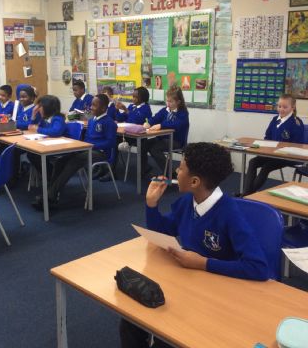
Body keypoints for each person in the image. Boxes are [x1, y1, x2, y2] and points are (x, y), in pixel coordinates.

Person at [119, 142, 270, 348]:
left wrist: (204, 263)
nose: (176, 171)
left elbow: (258, 267)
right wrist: (151, 205)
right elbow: (162, 232)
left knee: (168, 338)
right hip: (187, 281)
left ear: (194, 181)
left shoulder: (229, 214)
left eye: (180, 168)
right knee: (131, 321)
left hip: (218, 294)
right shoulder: (187, 202)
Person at [44, 94, 117, 209]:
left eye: (94, 105)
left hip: (101, 152)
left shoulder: (109, 122)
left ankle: (50, 196)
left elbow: (111, 143)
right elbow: (87, 138)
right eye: (91, 105)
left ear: (103, 108)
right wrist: (82, 145)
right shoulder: (91, 120)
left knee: (75, 161)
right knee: (61, 161)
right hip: (87, 149)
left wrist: (91, 146)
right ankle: (52, 191)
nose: (91, 107)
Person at [242, 93, 304, 196]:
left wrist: (281, 148)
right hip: (272, 154)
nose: (281, 109)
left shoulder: (296, 123)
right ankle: (246, 193)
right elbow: (267, 137)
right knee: (253, 162)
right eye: (279, 106)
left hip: (287, 156)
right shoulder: (275, 119)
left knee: (266, 167)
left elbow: (298, 145)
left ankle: (247, 195)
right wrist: (266, 146)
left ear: (292, 107)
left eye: (285, 107)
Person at [28, 95, 67, 208]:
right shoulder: (44, 119)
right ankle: (50, 177)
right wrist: (33, 115)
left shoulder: (58, 118)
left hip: (59, 149)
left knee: (36, 155)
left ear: (47, 108)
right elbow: (31, 127)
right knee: (32, 154)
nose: (38, 109)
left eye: (40, 107)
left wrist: (38, 129)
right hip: (47, 146)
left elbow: (56, 131)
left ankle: (50, 178)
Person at [142, 86, 189, 176]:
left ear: (178, 102)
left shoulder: (183, 113)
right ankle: (143, 169)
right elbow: (155, 118)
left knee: (155, 149)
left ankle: (170, 173)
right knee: (144, 144)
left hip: (176, 141)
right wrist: (148, 123)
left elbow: (177, 124)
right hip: (162, 138)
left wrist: (161, 125)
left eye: (170, 101)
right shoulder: (165, 110)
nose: (168, 103)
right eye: (167, 101)